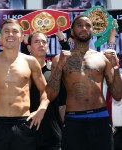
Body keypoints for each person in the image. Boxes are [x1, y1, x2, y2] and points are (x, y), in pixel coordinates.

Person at [46, 14, 122, 150]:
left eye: (88, 26)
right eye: (79, 25)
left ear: (92, 30)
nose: (84, 28)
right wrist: (59, 66)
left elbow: (118, 95)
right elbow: (50, 95)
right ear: (72, 31)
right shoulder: (60, 58)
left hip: (100, 119)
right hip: (74, 120)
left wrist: (115, 67)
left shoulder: (102, 58)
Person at [0, 18, 49, 150]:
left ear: (22, 37)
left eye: (15, 31)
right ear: (0, 38)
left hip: (22, 125)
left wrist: (42, 109)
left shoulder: (30, 62)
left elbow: (45, 91)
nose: (10, 34)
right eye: (6, 31)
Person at [27, 30, 65, 150]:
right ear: (29, 48)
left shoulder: (55, 72)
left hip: (52, 136)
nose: (41, 44)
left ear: (48, 47)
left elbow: (62, 105)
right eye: (36, 41)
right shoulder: (21, 72)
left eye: (44, 42)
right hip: (25, 135)